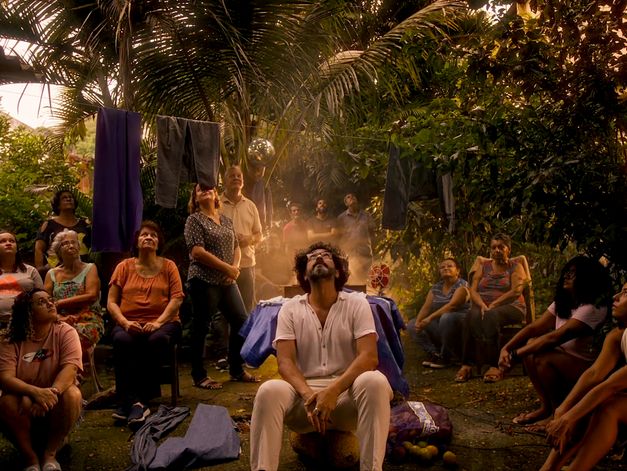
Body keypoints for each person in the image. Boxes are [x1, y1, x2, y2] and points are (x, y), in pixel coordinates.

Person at [249, 242, 392, 471]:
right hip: (305, 406)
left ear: (337, 271)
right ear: (304, 273)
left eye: (325, 256)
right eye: (311, 257)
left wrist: (333, 391)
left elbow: (369, 357)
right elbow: (284, 362)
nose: (318, 258)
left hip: (346, 401)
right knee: (268, 391)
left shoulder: (357, 303)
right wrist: (308, 395)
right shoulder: (290, 309)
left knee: (374, 381)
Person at [498, 256, 610, 427]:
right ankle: (546, 407)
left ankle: (557, 413)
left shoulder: (593, 307)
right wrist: (506, 349)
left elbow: (555, 337)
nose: (566, 276)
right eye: (566, 272)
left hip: (585, 369)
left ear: (587, 278)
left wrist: (514, 355)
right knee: (532, 346)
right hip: (564, 360)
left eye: (573, 273)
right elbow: (534, 328)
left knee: (542, 356)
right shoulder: (564, 302)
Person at [539, 283, 627, 471]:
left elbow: (611, 385)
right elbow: (594, 374)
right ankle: (549, 468)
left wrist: (568, 418)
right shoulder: (618, 335)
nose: (616, 297)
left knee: (608, 405)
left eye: (626, 293)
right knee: (585, 402)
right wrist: (563, 410)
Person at [107, 221, 184, 428]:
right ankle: (134, 402)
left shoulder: (169, 266)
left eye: (153, 236)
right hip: (129, 323)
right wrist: (124, 322)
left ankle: (134, 401)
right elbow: (111, 301)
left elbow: (176, 299)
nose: (148, 238)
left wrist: (158, 322)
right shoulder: (123, 267)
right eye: (144, 235)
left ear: (158, 243)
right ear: (137, 241)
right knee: (122, 339)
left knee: (156, 339)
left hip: (165, 323)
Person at [185, 184, 259, 390]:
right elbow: (197, 252)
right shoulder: (194, 220)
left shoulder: (225, 220)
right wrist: (227, 268)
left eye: (210, 189)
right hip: (203, 280)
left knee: (241, 321)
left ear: (216, 195)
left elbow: (236, 246)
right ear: (196, 198)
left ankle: (236, 368)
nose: (206, 191)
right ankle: (199, 375)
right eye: (200, 190)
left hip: (227, 281)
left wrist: (234, 269)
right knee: (202, 326)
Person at [0, 289, 83, 471]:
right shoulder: (9, 339)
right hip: (23, 406)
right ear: (27, 312)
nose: (50, 304)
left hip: (56, 405)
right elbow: (5, 378)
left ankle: (50, 454)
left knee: (73, 394)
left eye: (50, 300)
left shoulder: (66, 332)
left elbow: (70, 369)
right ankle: (30, 458)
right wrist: (34, 393)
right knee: (6, 401)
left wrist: (50, 394)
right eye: (41, 302)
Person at [455, 233, 527, 383]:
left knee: (491, 316)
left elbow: (516, 291)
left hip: (512, 306)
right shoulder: (484, 266)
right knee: (469, 317)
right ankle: (467, 364)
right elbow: (473, 290)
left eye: (501, 247)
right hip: (484, 305)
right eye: (494, 247)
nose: (497, 250)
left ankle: (495, 365)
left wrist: (494, 304)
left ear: (509, 249)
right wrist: (482, 304)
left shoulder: (516, 267)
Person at [44, 230, 103, 353]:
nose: (71, 246)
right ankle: (49, 367)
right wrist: (58, 317)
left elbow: (92, 295)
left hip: (87, 318)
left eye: (74, 242)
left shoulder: (90, 268)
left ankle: (70, 368)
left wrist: (60, 303)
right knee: (46, 334)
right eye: (65, 243)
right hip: (59, 318)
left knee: (71, 336)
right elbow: (46, 301)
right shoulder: (52, 274)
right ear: (58, 249)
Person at [412, 258, 470, 369]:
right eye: (442, 267)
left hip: (460, 322)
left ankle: (446, 358)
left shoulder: (463, 286)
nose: (445, 268)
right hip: (441, 322)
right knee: (412, 324)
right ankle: (435, 353)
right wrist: (419, 322)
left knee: (446, 317)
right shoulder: (436, 288)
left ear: (457, 271)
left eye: (449, 266)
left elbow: (452, 306)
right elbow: (426, 307)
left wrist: (429, 318)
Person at [220, 164, 263, 313]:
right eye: (232, 176)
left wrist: (248, 239)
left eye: (239, 176)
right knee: (223, 314)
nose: (236, 178)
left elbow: (259, 235)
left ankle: (246, 337)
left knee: (247, 310)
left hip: (247, 264)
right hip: (222, 267)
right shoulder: (216, 205)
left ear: (243, 181)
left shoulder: (251, 206)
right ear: (224, 180)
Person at [35, 190, 91, 276]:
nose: (68, 199)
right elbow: (39, 248)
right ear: (57, 204)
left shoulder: (85, 224)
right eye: (64, 198)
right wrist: (40, 270)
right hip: (56, 271)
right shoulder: (49, 224)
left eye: (70, 197)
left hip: (83, 270)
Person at [0, 231, 43, 329]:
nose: (8, 243)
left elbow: (42, 296)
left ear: (17, 248)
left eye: (12, 241)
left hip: (26, 323)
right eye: (2, 241)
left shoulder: (30, 271)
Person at [336, 193, 375, 284]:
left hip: (365, 253)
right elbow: (337, 237)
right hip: (349, 254)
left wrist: (373, 248)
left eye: (353, 196)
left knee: (366, 280)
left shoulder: (366, 215)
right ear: (346, 203)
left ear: (357, 200)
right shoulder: (341, 218)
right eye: (348, 197)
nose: (351, 198)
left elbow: (372, 233)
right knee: (353, 281)